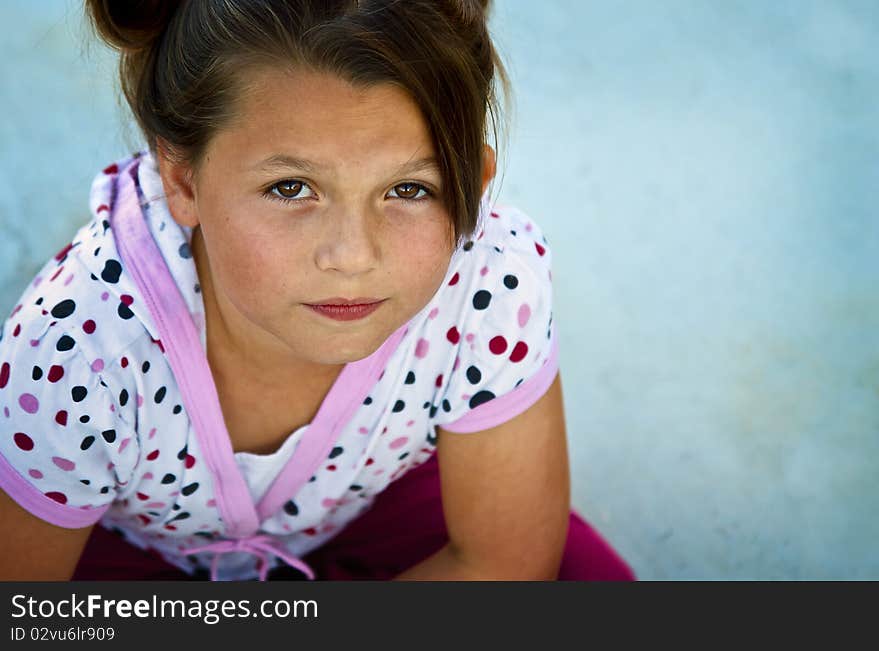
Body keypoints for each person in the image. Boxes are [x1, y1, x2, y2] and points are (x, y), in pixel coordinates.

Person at [0, 0, 635, 581]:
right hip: (121, 556)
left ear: (475, 181)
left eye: (409, 190)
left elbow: (501, 562)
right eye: (291, 188)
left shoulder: (490, 280)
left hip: (367, 509)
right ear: (183, 180)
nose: (353, 257)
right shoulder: (73, 350)